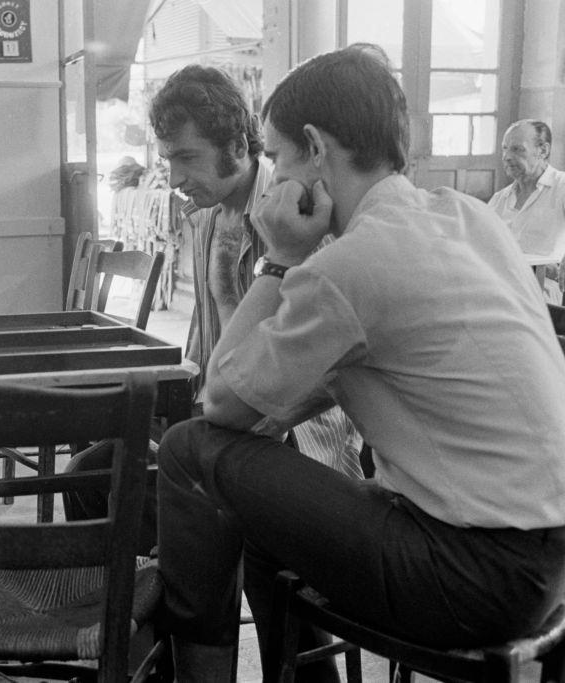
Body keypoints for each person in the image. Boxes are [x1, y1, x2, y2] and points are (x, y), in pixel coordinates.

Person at [156, 45, 565, 682]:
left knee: (187, 452)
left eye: (277, 153)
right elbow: (353, 377)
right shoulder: (468, 218)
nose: (275, 171)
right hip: (544, 562)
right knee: (259, 498)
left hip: (466, 575)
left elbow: (220, 402)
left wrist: (278, 259)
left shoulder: (349, 265)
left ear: (316, 149)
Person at [149, 64, 363, 478]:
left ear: (235, 146)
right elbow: (209, 335)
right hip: (222, 418)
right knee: (100, 466)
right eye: (167, 160)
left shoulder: (298, 218)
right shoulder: (205, 214)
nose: (175, 179)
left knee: (168, 473)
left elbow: (341, 359)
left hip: (296, 441)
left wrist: (260, 425)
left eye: (187, 158)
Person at [488, 119, 565, 299]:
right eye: (505, 148)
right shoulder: (500, 199)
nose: (506, 156)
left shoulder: (562, 186)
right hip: (501, 282)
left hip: (543, 288)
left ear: (543, 151)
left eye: (517, 149)